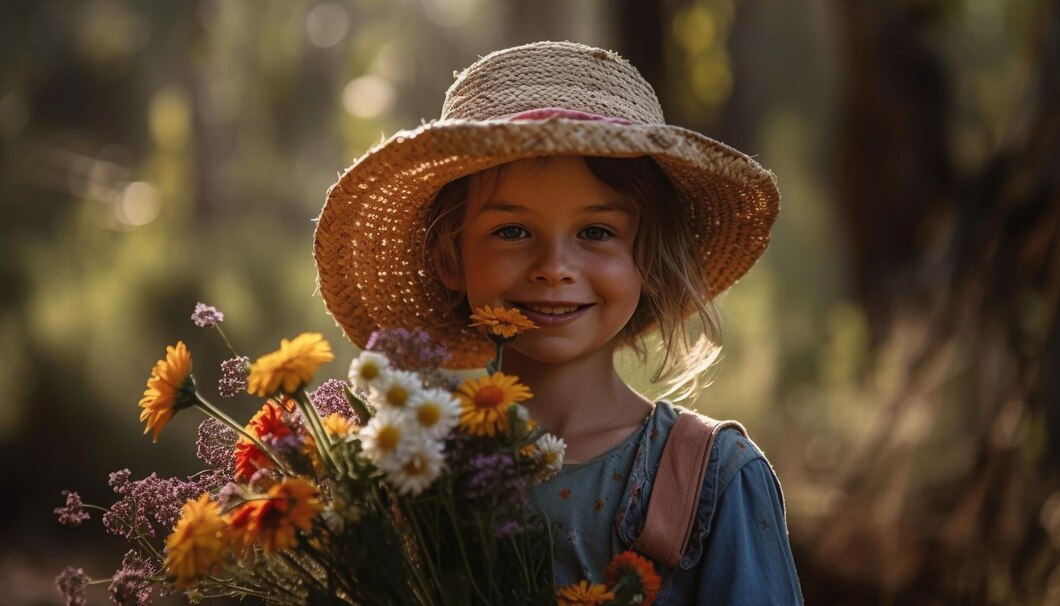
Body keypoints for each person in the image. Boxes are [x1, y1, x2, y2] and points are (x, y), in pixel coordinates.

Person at [314, 41, 803, 604]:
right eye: (512, 231)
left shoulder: (712, 479)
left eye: (596, 232)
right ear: (450, 257)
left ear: (650, 257)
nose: (554, 269)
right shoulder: (404, 469)